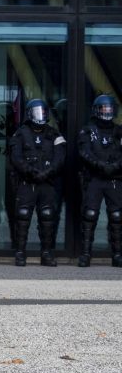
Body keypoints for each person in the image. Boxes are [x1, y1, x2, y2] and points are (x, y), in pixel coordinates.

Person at [7, 99, 65, 267]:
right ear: (29, 113)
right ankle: (20, 253)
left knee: (47, 217)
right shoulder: (20, 133)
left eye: (44, 112)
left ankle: (46, 254)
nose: (41, 115)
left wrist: (47, 172)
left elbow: (60, 158)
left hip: (47, 182)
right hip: (27, 182)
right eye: (37, 112)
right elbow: (16, 158)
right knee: (23, 216)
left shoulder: (55, 134)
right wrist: (31, 172)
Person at [78, 94, 122, 268]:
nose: (106, 112)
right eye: (103, 108)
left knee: (117, 216)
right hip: (95, 178)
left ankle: (117, 255)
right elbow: (84, 152)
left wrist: (115, 166)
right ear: (96, 110)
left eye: (109, 108)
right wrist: (100, 165)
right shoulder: (88, 130)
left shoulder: (119, 131)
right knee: (90, 215)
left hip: (115, 179)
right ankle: (85, 254)